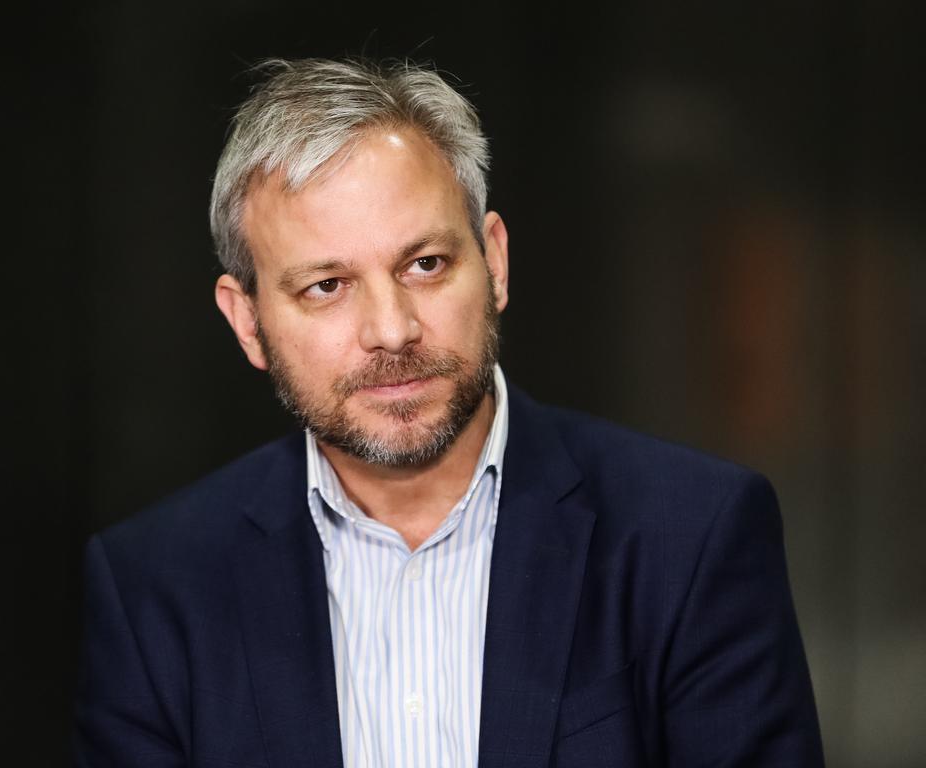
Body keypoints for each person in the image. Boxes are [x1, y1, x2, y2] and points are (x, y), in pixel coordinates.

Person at [74, 58, 824, 767]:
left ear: (493, 261)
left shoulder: (689, 537)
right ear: (247, 323)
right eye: (327, 286)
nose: (392, 330)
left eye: (425, 264)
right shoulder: (158, 588)